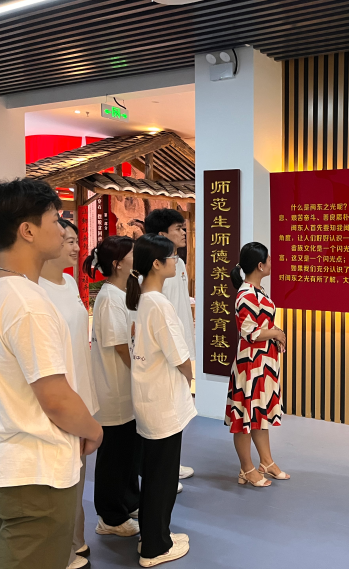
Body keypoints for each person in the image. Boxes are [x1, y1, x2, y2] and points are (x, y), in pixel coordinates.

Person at [0, 178, 103, 569]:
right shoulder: (28, 303)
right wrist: (93, 429)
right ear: (28, 231)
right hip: (35, 473)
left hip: (5, 462)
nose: (63, 230)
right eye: (55, 219)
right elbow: (56, 398)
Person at [126, 234, 195, 566]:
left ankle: (154, 536)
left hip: (150, 399)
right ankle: (155, 547)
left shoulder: (145, 299)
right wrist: (189, 377)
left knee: (156, 474)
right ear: (157, 263)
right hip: (163, 403)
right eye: (172, 256)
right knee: (162, 479)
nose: (176, 261)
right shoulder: (159, 304)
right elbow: (180, 357)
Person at [39, 218, 100, 569]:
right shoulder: (34, 290)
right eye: (67, 240)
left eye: (77, 240)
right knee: (58, 478)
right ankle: (60, 551)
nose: (76, 247)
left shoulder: (69, 282)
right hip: (58, 395)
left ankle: (76, 540)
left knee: (77, 474)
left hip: (81, 393)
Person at [83, 235, 142, 539]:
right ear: (118, 264)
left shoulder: (121, 293)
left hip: (124, 391)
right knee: (113, 457)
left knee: (127, 453)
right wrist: (142, 374)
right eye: (132, 253)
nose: (137, 256)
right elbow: (120, 346)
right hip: (113, 391)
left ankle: (129, 502)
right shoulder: (108, 298)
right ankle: (109, 517)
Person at [226, 242, 289, 487]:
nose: (272, 263)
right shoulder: (246, 295)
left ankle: (267, 462)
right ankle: (247, 468)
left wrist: (275, 334)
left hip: (263, 362)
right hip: (250, 364)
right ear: (260, 265)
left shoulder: (257, 291)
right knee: (244, 415)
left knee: (258, 413)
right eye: (269, 260)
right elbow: (249, 332)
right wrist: (276, 333)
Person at [144, 208, 195, 482]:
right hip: (164, 349)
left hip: (179, 345)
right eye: (178, 228)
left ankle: (172, 465)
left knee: (177, 409)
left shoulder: (179, 264)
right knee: (162, 412)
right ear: (163, 234)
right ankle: (160, 473)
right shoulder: (153, 269)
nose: (184, 232)